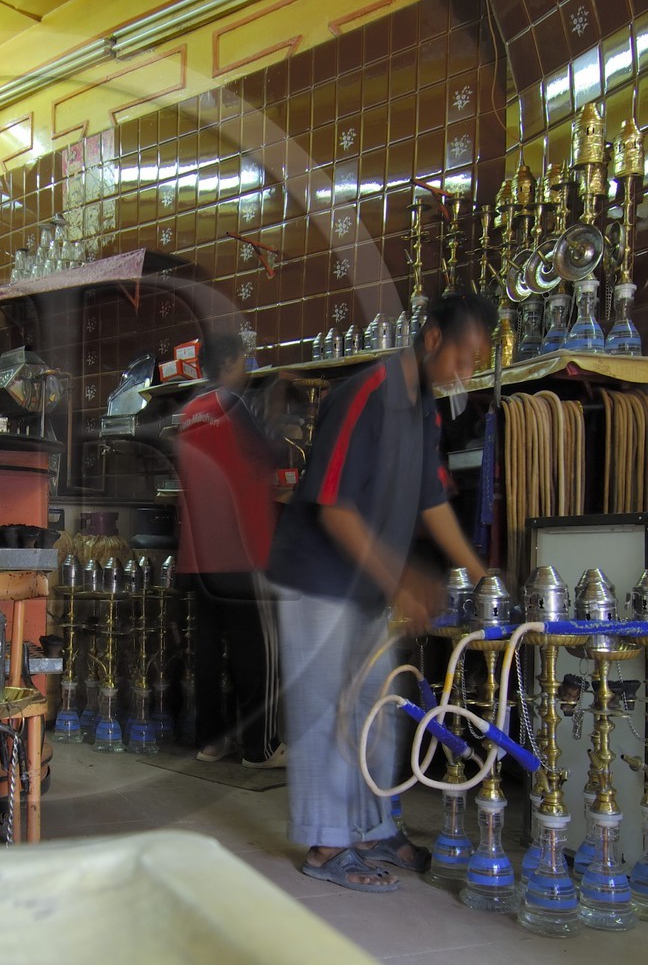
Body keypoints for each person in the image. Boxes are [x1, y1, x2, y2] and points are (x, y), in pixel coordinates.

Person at [266, 291, 492, 893]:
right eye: (464, 358)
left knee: (375, 706)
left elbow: (431, 499)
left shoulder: (424, 410)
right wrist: (404, 578)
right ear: (434, 337)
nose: (464, 374)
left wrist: (478, 569)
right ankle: (325, 844)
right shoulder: (367, 392)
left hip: (365, 585)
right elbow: (334, 506)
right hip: (317, 578)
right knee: (323, 711)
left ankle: (371, 825)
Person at [175, 332, 287, 769]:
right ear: (232, 362)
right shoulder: (234, 405)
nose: (248, 366)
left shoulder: (188, 413)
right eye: (245, 360)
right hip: (243, 550)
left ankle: (211, 741)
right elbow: (271, 452)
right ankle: (261, 748)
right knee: (254, 650)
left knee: (207, 649)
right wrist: (283, 417)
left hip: (199, 553)